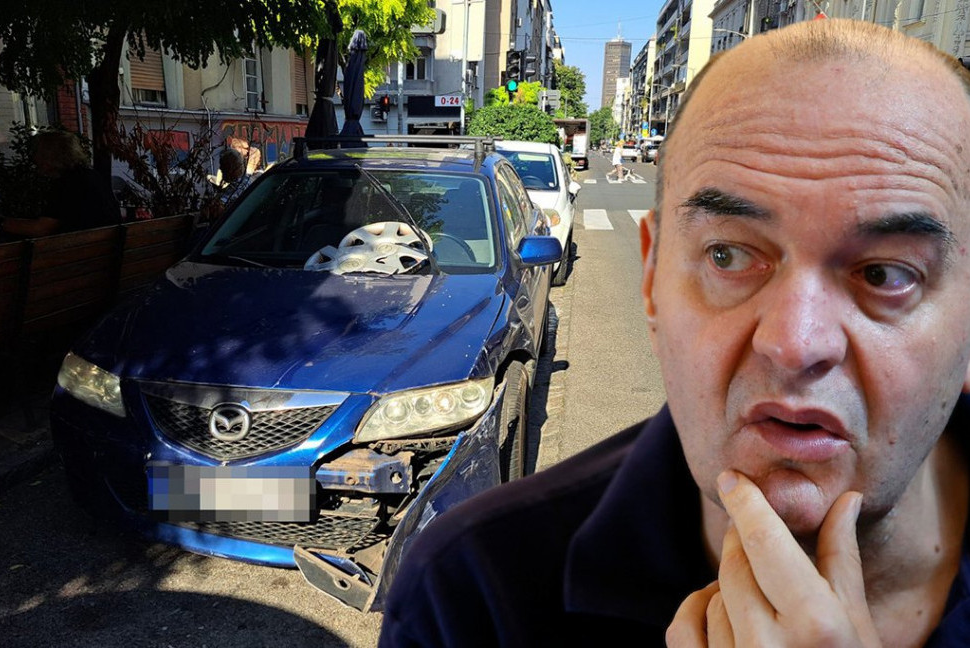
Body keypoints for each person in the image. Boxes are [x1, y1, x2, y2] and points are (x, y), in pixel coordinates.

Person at [378, 18, 970, 647]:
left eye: (884, 273)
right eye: (727, 256)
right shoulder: (469, 597)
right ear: (652, 278)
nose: (795, 344)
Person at [0, 130, 121, 237]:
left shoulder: (66, 184)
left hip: (78, 251)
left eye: (38, 153)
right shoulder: (91, 176)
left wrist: (3, 223)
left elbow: (41, 228)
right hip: (102, 248)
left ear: (48, 156)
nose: (35, 158)